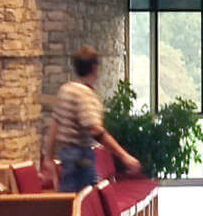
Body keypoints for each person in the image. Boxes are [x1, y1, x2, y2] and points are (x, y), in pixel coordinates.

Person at [44, 46, 141, 193]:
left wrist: (48, 156)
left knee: (73, 201)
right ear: (95, 68)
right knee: (84, 204)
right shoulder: (85, 95)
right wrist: (124, 156)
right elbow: (96, 131)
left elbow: (54, 126)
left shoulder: (65, 90)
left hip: (66, 155)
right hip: (80, 158)